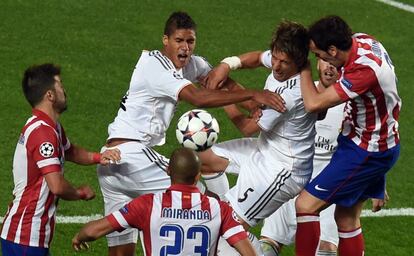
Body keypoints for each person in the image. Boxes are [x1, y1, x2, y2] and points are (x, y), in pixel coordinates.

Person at [97, 11, 284, 256]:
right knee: (206, 206)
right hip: (132, 157)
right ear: (165, 40)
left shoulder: (190, 63)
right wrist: (252, 94)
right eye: (179, 41)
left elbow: (217, 82)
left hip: (110, 163)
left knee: (121, 251)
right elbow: (198, 97)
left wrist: (255, 108)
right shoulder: (155, 67)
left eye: (190, 41)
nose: (185, 48)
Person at [198, 21, 316, 248]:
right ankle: (224, 205)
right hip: (265, 147)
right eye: (275, 58)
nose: (277, 67)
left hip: (280, 170)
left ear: (299, 62)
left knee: (228, 231)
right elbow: (253, 59)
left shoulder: (291, 94)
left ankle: (230, 218)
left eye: (285, 63)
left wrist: (222, 92)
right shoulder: (280, 60)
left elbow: (246, 126)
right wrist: (226, 65)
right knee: (202, 160)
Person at [294, 15, 401, 256]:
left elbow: (314, 104)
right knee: (346, 218)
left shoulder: (363, 71)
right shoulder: (362, 40)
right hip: (378, 142)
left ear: (333, 49)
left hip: (365, 150)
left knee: (305, 205)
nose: (320, 60)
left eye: (320, 55)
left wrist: (302, 66)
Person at [260, 59, 388, 256]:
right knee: (266, 248)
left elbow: (371, 144)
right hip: (288, 178)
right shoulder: (299, 93)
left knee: (326, 250)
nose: (329, 66)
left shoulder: (352, 104)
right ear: (317, 62)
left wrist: (378, 181)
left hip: (328, 185)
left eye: (333, 62)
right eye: (324, 60)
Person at [0, 63, 121, 256]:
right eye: (60, 85)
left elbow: (70, 151)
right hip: (26, 235)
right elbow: (56, 185)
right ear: (50, 95)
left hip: (26, 233)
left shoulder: (50, 127)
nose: (64, 90)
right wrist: (79, 193)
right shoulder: (43, 132)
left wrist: (99, 157)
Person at [72, 148, 256, 256]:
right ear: (198, 175)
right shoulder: (219, 208)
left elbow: (93, 231)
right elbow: (248, 251)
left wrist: (80, 236)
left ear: (168, 171)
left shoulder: (148, 205)